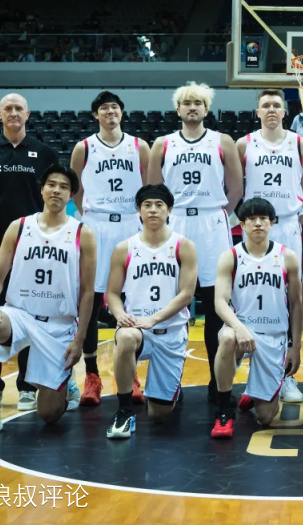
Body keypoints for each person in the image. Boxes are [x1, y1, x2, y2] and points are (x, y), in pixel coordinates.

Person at [0, 165, 96, 439]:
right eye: (51, 184)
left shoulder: (82, 233)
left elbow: (88, 292)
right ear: (41, 189)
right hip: (20, 314)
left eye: (64, 187)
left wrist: (79, 340)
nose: (56, 190)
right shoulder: (19, 227)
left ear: (71, 195)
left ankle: (64, 383)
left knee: (50, 414)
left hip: (59, 325)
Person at [0, 93, 61, 412]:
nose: (14, 113)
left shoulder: (45, 153)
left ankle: (27, 386)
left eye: (19, 108)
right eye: (8, 108)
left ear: (28, 114)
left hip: (34, 241)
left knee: (31, 309)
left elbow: (54, 196)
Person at [148, 82, 242, 402]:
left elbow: (236, 188)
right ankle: (170, 382)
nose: (192, 107)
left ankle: (218, 383)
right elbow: (153, 190)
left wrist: (219, 215)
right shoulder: (162, 144)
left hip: (211, 221)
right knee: (172, 302)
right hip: (176, 222)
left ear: (206, 109)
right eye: (186, 103)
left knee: (217, 304)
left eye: (198, 103)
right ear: (177, 109)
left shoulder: (222, 141)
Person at [70, 91, 150, 406]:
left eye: (115, 107)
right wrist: (90, 216)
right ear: (96, 115)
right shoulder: (84, 147)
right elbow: (75, 189)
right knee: (90, 300)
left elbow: (149, 185)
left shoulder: (139, 146)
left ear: (122, 112)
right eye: (104, 108)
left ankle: (130, 374)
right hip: (97, 224)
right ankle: (92, 375)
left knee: (131, 300)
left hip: (130, 223)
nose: (110, 112)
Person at [104, 184, 198, 438]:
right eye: (147, 205)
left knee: (159, 415)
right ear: (139, 210)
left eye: (159, 205)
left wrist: (153, 319)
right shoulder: (124, 248)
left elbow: (186, 295)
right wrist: (119, 314)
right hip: (138, 330)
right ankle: (124, 411)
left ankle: (171, 389)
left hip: (171, 332)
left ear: (169, 210)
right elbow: (112, 293)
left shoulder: (183, 246)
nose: (153, 210)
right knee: (125, 337)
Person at [236, 90, 303, 405]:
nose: (270, 109)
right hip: (255, 226)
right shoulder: (244, 144)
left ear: (284, 112)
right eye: (265, 105)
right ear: (257, 112)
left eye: (276, 105)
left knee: (289, 295)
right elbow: (235, 184)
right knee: (252, 295)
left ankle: (287, 375)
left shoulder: (299, 143)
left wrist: (296, 219)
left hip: (287, 224)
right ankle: (253, 378)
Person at [209, 198, 302, 438]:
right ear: (242, 224)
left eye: (263, 219)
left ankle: (253, 391)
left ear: (272, 223)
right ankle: (224, 410)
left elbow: (296, 304)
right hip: (241, 330)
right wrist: (239, 327)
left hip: (274, 334)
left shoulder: (287, 257)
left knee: (265, 418)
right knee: (227, 338)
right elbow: (220, 302)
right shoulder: (231, 256)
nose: (258, 223)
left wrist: (295, 346)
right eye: (251, 219)